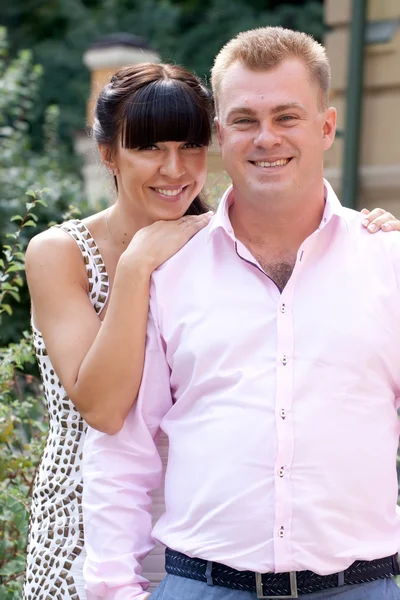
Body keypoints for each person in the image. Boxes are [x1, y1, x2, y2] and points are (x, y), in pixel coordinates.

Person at [82, 27, 400, 600]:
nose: (266, 138)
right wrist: (111, 591)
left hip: (365, 587)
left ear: (326, 127)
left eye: (287, 117)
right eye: (246, 120)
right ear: (220, 134)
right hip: (201, 586)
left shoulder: (390, 263)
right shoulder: (168, 271)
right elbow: (123, 450)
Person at [23, 62, 214, 600]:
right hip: (83, 531)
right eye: (149, 148)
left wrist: (374, 232)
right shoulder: (61, 253)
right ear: (108, 153)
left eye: (190, 146)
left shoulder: (222, 246)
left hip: (201, 540)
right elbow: (105, 409)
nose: (174, 169)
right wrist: (135, 266)